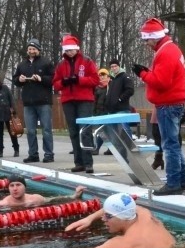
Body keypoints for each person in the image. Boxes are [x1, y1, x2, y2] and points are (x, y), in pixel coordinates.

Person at [13, 193, 176, 248]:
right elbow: (119, 206)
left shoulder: (122, 243)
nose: (104, 219)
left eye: (108, 216)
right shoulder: (144, 214)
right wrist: (89, 218)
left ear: (121, 217)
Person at [132, 17, 185, 196]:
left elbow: (161, 82)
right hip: (172, 102)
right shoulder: (171, 49)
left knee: (170, 145)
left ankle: (173, 182)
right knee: (174, 143)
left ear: (155, 36)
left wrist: (142, 74)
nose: (146, 43)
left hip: (168, 103)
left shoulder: (165, 52)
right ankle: (183, 179)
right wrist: (148, 71)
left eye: (147, 39)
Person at [53, 34, 99, 174]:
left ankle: (88, 162)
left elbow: (95, 80)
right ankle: (78, 162)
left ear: (76, 49)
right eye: (67, 51)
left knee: (84, 131)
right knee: (73, 131)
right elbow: (55, 84)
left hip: (84, 99)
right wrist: (64, 82)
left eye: (71, 50)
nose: (69, 52)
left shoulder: (87, 61)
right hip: (68, 100)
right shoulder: (61, 65)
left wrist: (79, 80)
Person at [12, 38, 55, 164]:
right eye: (29, 49)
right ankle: (33, 154)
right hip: (28, 102)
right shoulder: (22, 65)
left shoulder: (46, 63)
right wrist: (19, 79)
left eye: (34, 49)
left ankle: (48, 154)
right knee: (30, 130)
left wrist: (41, 79)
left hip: (43, 101)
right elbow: (15, 80)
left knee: (46, 129)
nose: (31, 51)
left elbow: (53, 79)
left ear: (38, 50)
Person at [0, 175, 85, 207]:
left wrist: (75, 196)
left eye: (18, 185)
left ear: (25, 187)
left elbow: (54, 199)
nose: (15, 188)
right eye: (11, 186)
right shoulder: (5, 203)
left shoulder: (35, 199)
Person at [106, 59, 135, 139]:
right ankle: (114, 149)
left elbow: (130, 90)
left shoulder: (125, 76)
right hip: (111, 109)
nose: (114, 68)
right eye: (112, 66)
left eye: (115, 66)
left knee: (124, 129)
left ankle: (129, 148)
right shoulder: (111, 79)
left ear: (119, 66)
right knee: (112, 131)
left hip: (122, 108)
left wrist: (120, 99)